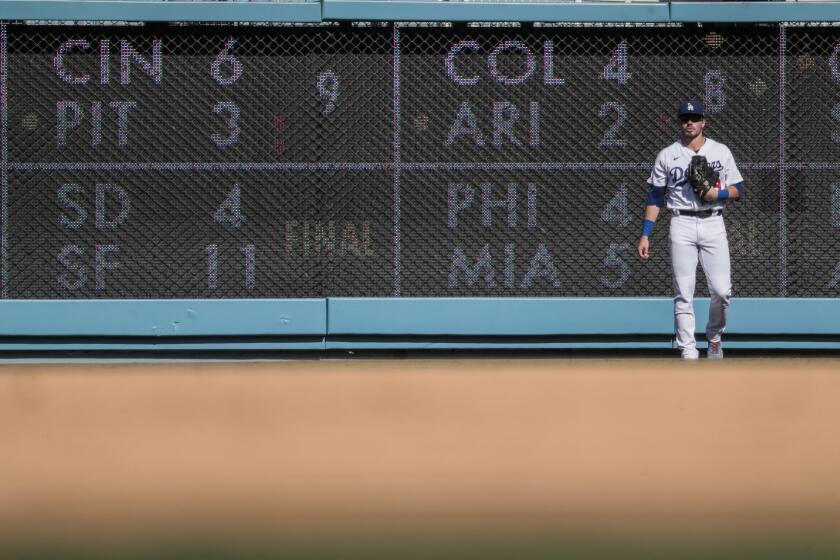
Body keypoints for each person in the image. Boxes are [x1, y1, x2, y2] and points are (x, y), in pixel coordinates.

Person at [636, 101, 744, 360]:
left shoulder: (720, 151)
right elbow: (655, 197)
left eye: (694, 118)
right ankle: (687, 349)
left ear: (703, 122)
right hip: (681, 223)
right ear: (679, 122)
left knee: (722, 291)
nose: (689, 122)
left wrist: (715, 193)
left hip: (713, 221)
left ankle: (714, 337)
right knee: (683, 292)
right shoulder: (667, 155)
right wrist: (645, 233)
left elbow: (739, 190)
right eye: (685, 118)